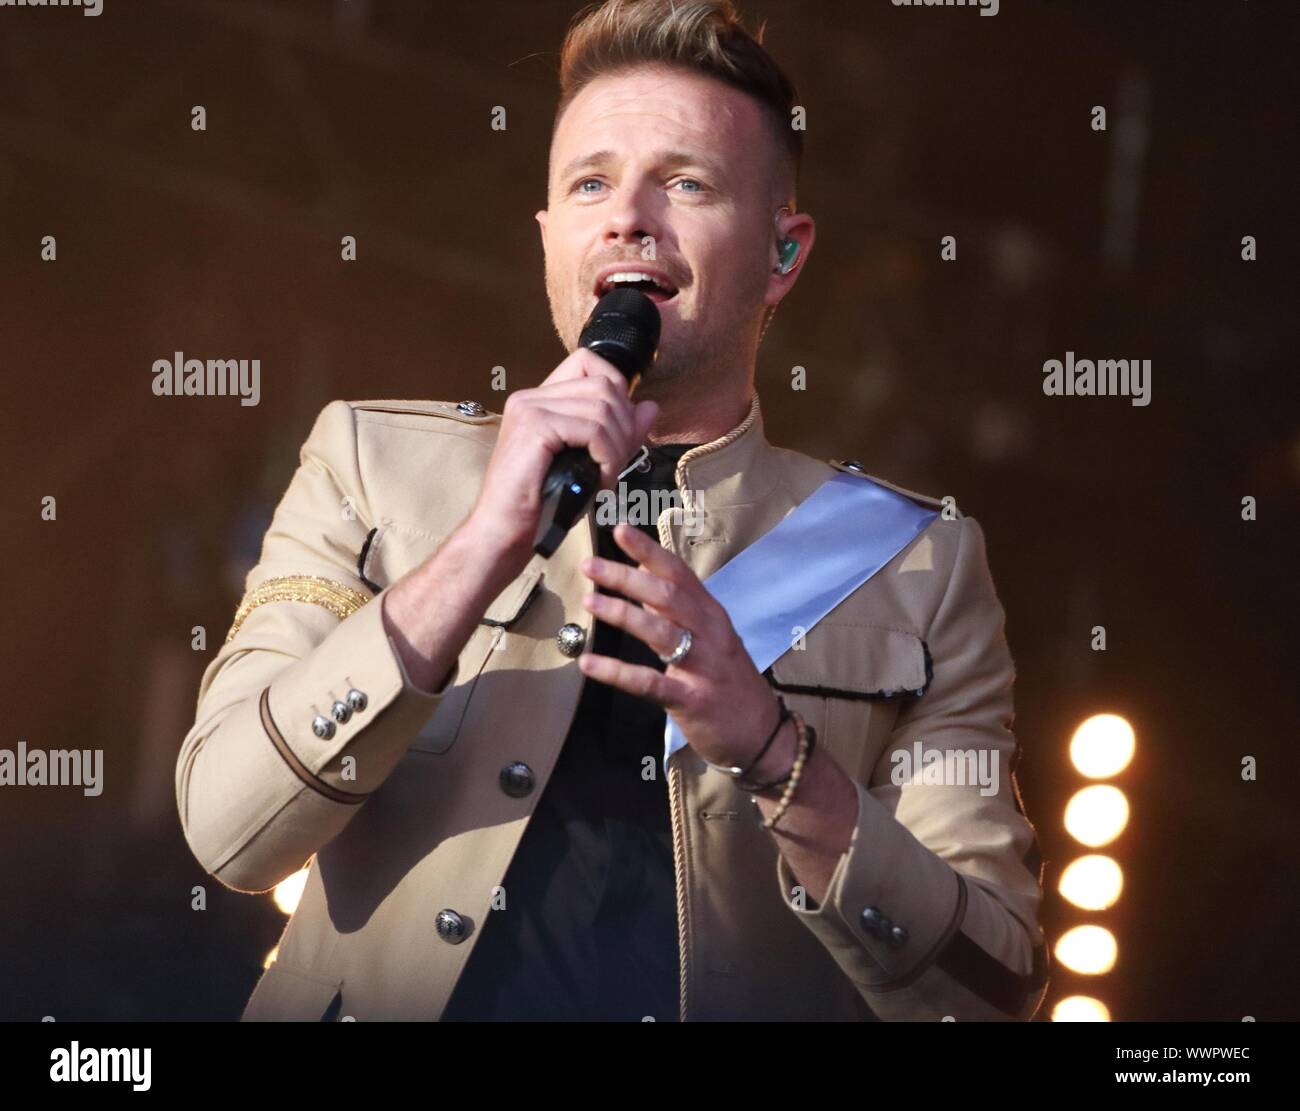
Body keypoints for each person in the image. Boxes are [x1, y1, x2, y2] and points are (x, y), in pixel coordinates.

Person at [176, 0, 1048, 1022]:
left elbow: (990, 992)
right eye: (590, 183)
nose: (629, 213)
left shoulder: (917, 563)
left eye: (685, 182)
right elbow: (230, 832)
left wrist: (775, 754)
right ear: (550, 239)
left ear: (783, 253)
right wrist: (479, 547)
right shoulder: (370, 461)